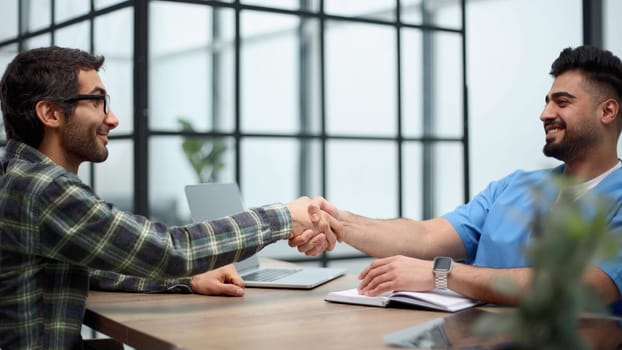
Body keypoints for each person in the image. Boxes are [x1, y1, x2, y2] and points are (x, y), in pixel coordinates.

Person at [0, 46, 338, 349]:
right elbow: (172, 249)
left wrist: (187, 280)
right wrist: (283, 217)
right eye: (97, 101)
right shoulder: (42, 189)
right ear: (51, 114)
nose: (112, 119)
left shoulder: (17, 177)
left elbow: (89, 268)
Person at [296, 45, 622, 307]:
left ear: (608, 111)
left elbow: (581, 287)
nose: (545, 113)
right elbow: (425, 237)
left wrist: (442, 274)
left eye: (562, 102)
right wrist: (338, 221)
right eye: (547, 101)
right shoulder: (515, 187)